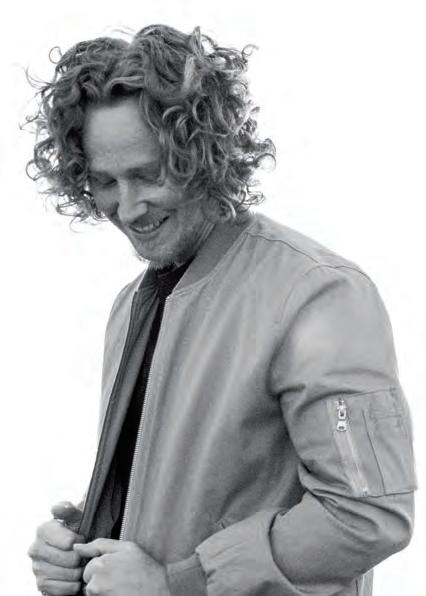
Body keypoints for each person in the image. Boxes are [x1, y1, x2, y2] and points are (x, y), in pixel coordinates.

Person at [27, 24, 416, 596]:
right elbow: (202, 488)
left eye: (147, 174)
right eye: (105, 181)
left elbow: (367, 516)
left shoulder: (319, 294)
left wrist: (177, 582)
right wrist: (86, 540)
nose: (127, 208)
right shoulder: (133, 303)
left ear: (201, 155)